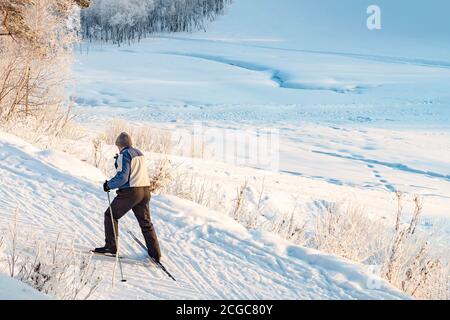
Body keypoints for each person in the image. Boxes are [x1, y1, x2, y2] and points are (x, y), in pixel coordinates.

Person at [94, 132, 161, 262]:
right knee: (146, 223)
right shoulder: (139, 153)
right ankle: (155, 253)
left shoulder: (124, 154)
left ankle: (111, 247)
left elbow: (123, 177)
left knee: (111, 215)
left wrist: (109, 184)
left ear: (120, 145)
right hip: (145, 190)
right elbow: (134, 171)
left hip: (131, 192)